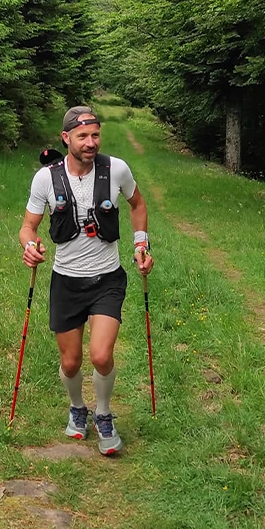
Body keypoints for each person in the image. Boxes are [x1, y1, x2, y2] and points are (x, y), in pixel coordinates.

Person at [19, 106, 154, 455]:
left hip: (108, 279)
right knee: (70, 362)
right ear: (66, 139)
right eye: (82, 136)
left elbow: (138, 205)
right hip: (66, 281)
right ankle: (78, 407)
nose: (91, 143)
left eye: (95, 135)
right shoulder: (46, 178)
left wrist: (141, 245)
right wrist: (30, 247)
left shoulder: (117, 170)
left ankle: (104, 414)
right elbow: (28, 227)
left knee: (101, 355)